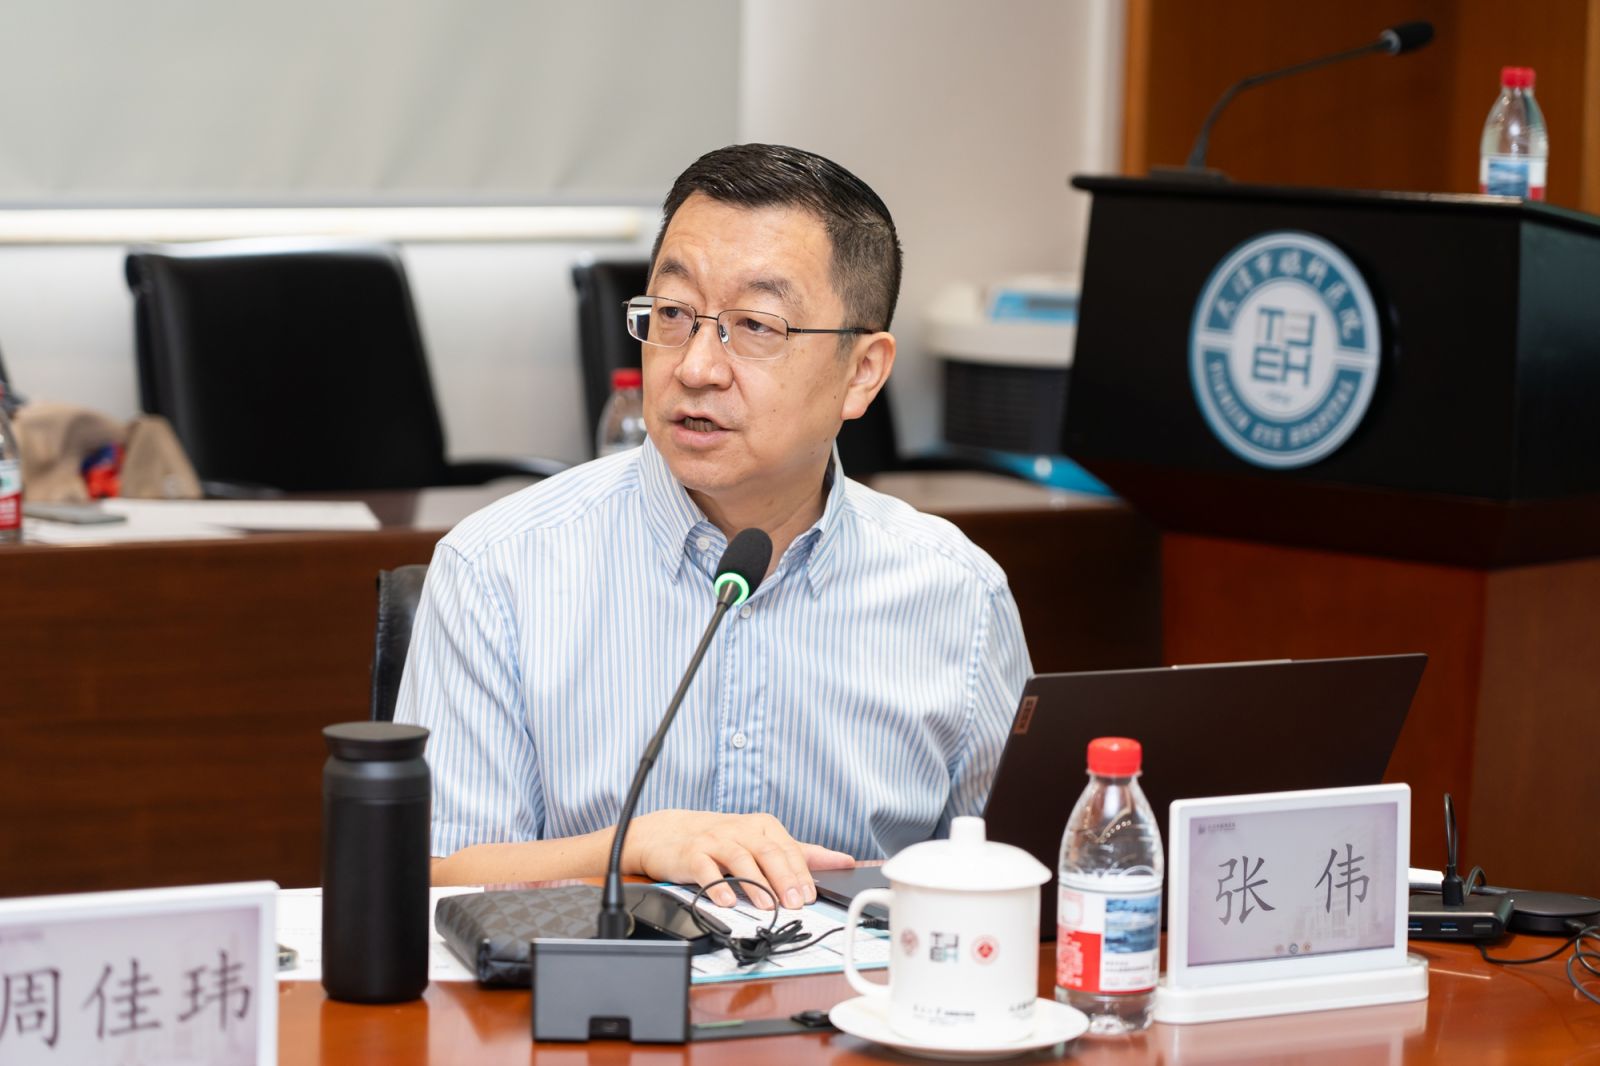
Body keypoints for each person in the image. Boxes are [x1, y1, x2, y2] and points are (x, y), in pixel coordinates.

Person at [396, 143, 1031, 909]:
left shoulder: (958, 595)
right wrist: (634, 848)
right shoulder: (499, 567)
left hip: (855, 985)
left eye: (755, 325)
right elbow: (434, 879)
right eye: (672, 315)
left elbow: (1015, 879)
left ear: (861, 371)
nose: (696, 367)